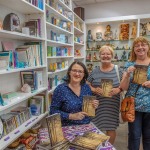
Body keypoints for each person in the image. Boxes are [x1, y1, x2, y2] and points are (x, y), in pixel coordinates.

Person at [87, 45, 123, 145]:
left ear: (112, 56)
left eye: (108, 54)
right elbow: (87, 84)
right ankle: (98, 146)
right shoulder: (94, 71)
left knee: (111, 128)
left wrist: (118, 89)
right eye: (103, 54)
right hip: (97, 105)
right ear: (99, 56)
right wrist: (94, 89)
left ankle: (108, 147)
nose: (105, 56)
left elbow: (125, 85)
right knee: (96, 126)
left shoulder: (118, 70)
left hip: (112, 105)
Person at [120, 36, 150, 150]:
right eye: (137, 45)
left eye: (143, 45)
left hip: (149, 107)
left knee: (148, 137)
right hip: (133, 106)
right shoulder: (129, 64)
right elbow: (123, 87)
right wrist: (127, 75)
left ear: (148, 47)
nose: (140, 47)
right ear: (133, 49)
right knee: (134, 136)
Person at [50, 61, 99, 126]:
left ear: (84, 74)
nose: (77, 74)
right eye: (74, 70)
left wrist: (94, 107)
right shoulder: (60, 89)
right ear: (69, 72)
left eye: (80, 72)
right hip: (67, 127)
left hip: (86, 125)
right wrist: (71, 116)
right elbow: (53, 112)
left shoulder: (86, 88)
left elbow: (90, 112)